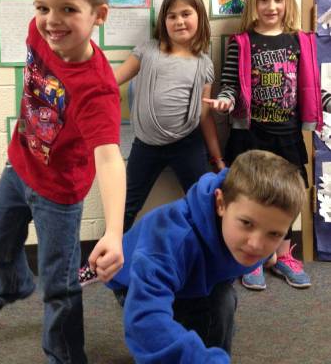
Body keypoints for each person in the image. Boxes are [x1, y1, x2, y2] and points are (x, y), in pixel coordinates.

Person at [0, 0, 125, 364]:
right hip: (19, 166)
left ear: (99, 15)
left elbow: (109, 159)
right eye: (42, 7)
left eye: (68, 9)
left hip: (60, 193)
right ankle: (12, 285)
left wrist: (113, 230)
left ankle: (65, 357)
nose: (52, 20)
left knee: (59, 287)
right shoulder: (39, 33)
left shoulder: (97, 90)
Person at [79, 0, 225, 285]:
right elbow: (111, 81)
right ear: (163, 22)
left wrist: (217, 157)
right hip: (146, 146)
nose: (179, 21)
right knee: (124, 204)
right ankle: (101, 261)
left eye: (186, 14)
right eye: (172, 16)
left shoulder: (204, 64)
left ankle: (218, 258)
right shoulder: (148, 50)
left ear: (199, 18)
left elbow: (205, 117)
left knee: (204, 201)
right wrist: (82, 85)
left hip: (187, 144)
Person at [107, 150, 306, 363]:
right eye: (247, 224)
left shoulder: (248, 228)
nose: (256, 245)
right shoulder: (171, 239)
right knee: (164, 333)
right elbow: (145, 319)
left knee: (222, 303)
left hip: (198, 276)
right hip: (133, 281)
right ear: (220, 204)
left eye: (274, 234)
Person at [204, 0, 323, 290]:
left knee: (290, 193)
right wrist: (226, 102)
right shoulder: (241, 43)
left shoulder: (300, 41)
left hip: (287, 134)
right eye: (264, 0)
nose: (271, 7)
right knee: (250, 194)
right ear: (253, 3)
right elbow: (229, 85)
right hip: (250, 134)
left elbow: (311, 85)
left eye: (279, 0)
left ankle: (283, 254)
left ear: (288, 2)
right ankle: (254, 257)